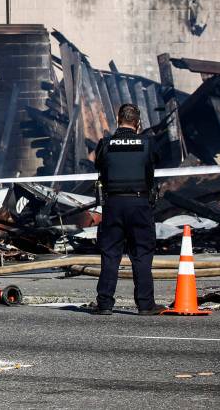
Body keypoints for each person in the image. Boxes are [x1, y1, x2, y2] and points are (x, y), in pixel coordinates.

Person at [86, 103, 166, 316]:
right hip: (139, 204)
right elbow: (156, 161)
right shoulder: (147, 143)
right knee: (141, 253)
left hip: (113, 204)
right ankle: (145, 305)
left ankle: (104, 304)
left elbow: (99, 166)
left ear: (118, 120)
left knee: (110, 254)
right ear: (137, 123)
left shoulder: (105, 144)